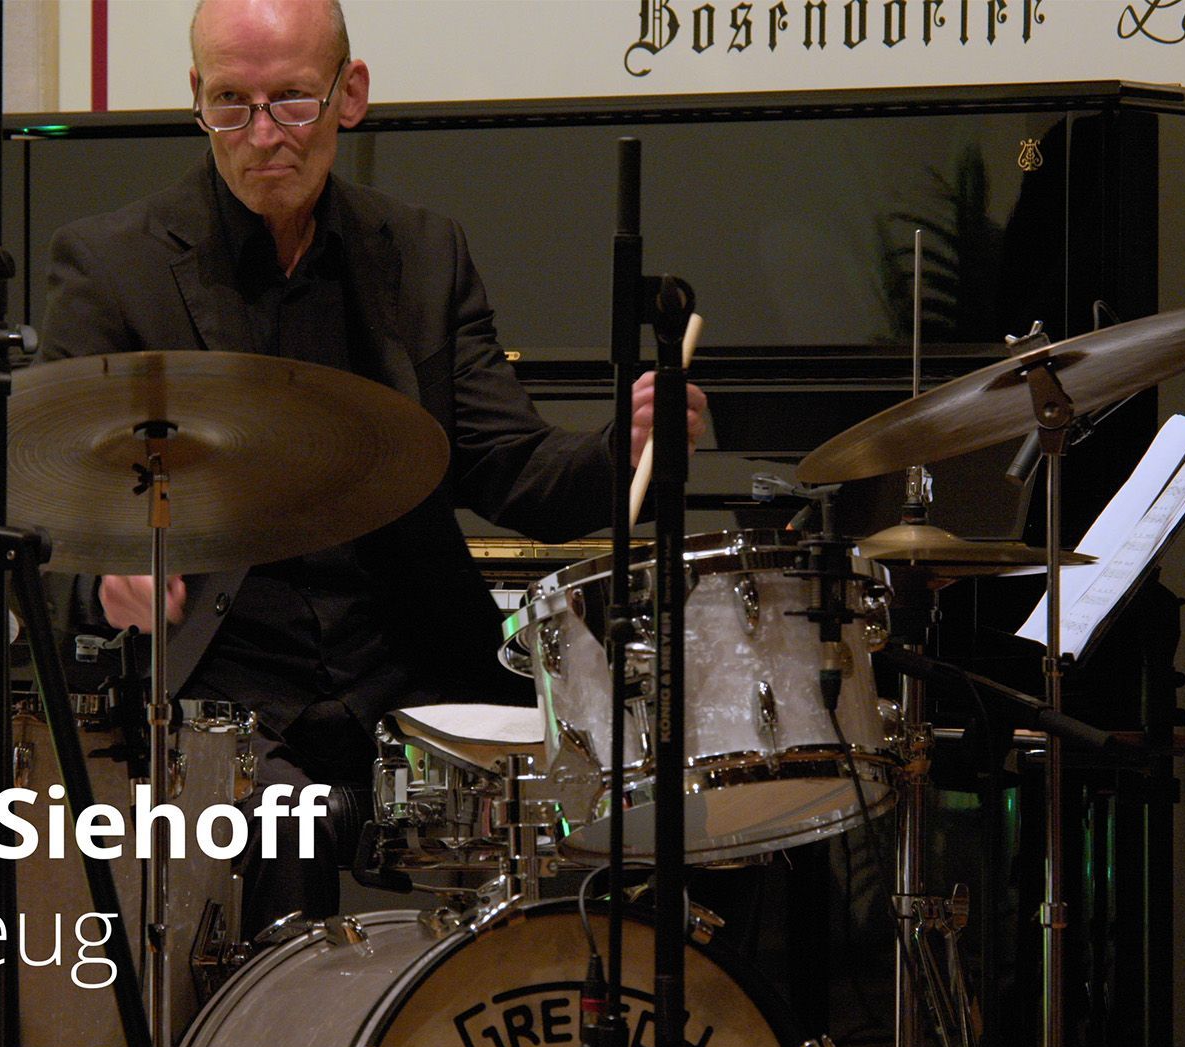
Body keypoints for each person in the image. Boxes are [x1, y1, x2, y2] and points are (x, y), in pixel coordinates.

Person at [39, 0, 705, 934]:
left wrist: (622, 449)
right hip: (223, 693)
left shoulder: (422, 254)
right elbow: (42, 506)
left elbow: (511, 467)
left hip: (411, 674)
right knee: (282, 829)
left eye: (292, 101)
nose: (262, 135)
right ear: (195, 98)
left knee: (659, 805)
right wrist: (105, 579)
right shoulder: (114, 266)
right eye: (231, 103)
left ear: (349, 95)